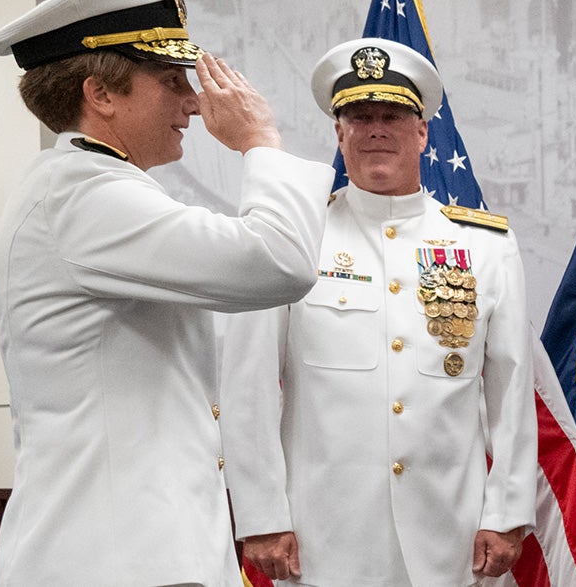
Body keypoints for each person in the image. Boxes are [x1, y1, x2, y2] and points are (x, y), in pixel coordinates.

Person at [0, 0, 334, 586]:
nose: (194, 103)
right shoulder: (85, 198)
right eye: (171, 81)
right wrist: (260, 140)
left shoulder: (93, 188)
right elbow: (279, 260)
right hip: (114, 560)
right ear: (100, 94)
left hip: (136, 553)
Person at [220, 38, 537, 586]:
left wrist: (508, 510)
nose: (375, 130)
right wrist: (262, 515)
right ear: (338, 133)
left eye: (391, 115)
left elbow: (510, 388)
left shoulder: (484, 246)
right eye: (358, 116)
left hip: (450, 537)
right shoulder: (293, 238)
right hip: (324, 539)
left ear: (422, 132)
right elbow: (246, 384)